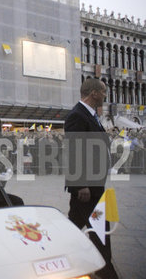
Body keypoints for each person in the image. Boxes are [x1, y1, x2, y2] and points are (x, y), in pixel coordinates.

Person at [64, 78, 118, 279]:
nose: (105, 96)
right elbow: (74, 151)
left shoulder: (90, 115)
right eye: (103, 92)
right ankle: (107, 271)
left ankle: (57, 253)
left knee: (74, 226)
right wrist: (80, 185)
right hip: (87, 187)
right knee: (99, 230)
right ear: (94, 93)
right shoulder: (77, 115)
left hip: (93, 184)